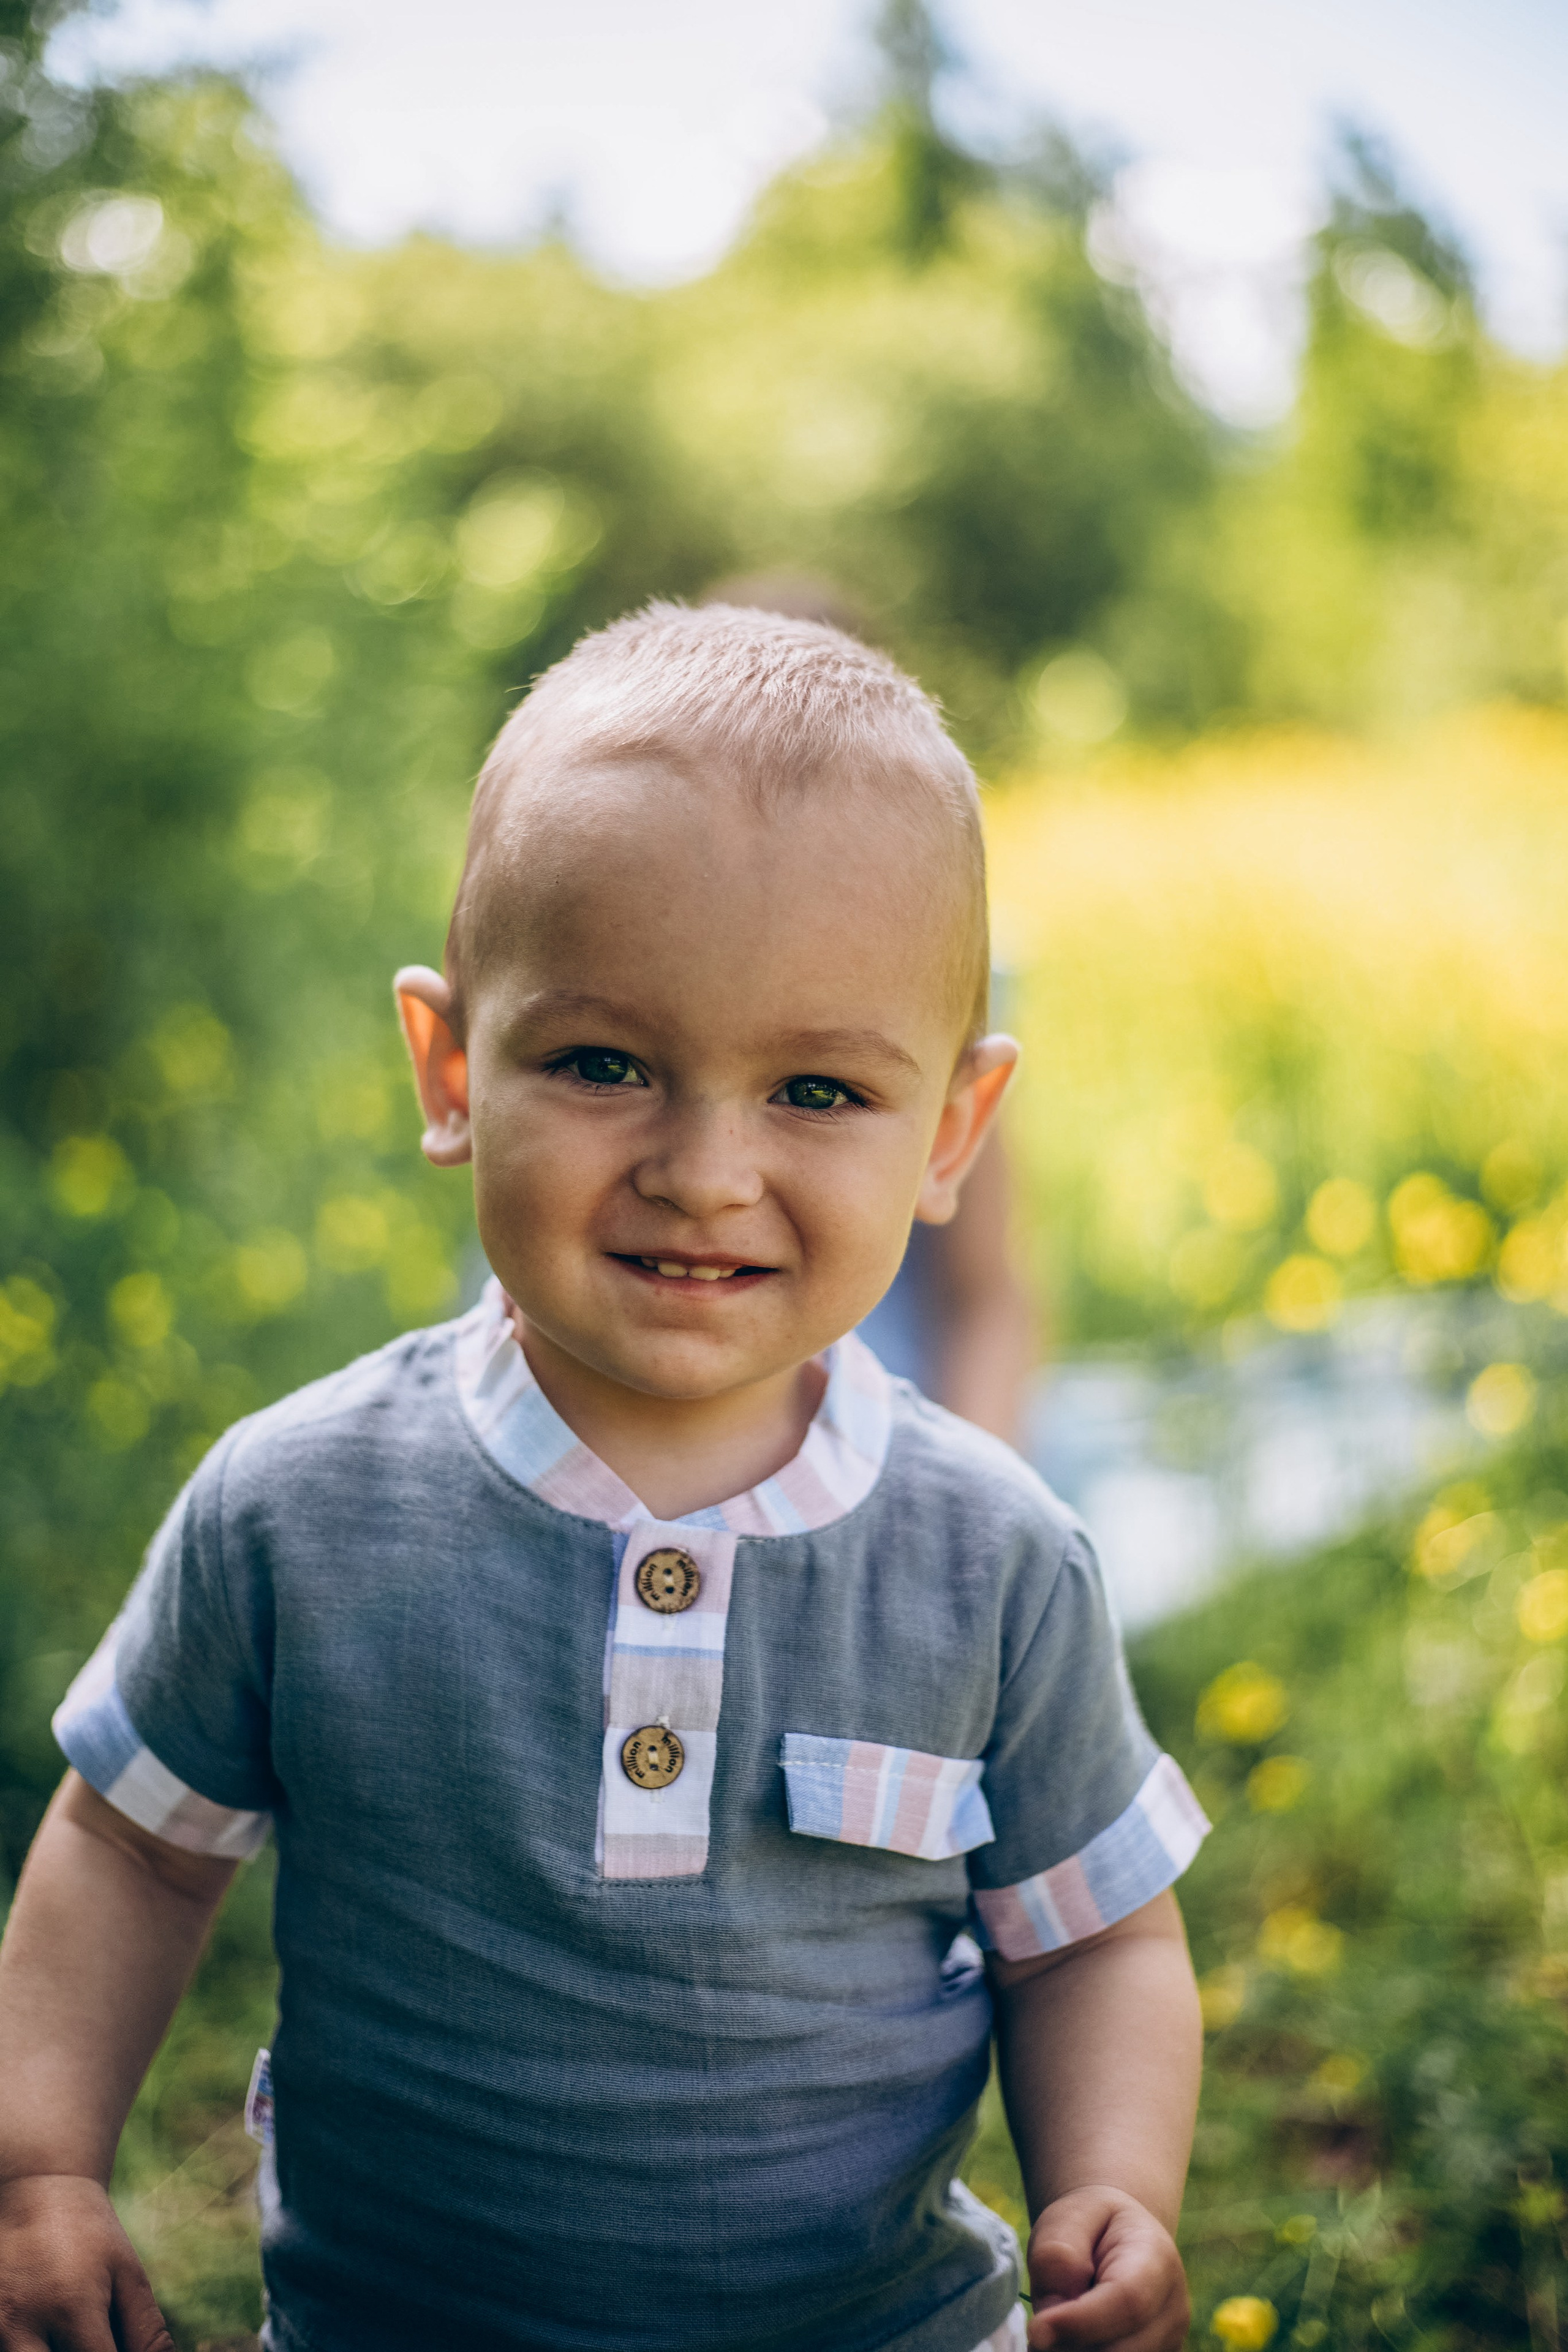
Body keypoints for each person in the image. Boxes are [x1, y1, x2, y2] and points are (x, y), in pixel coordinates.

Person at [0, 606, 1207, 2352]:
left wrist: (1118, 2184)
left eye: (815, 1089)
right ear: (450, 1069)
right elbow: (131, 1851)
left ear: (951, 1130)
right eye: (603, 1065)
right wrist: (40, 2165)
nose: (707, 1173)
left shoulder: (997, 1559)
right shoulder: (299, 1509)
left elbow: (1092, 1939)